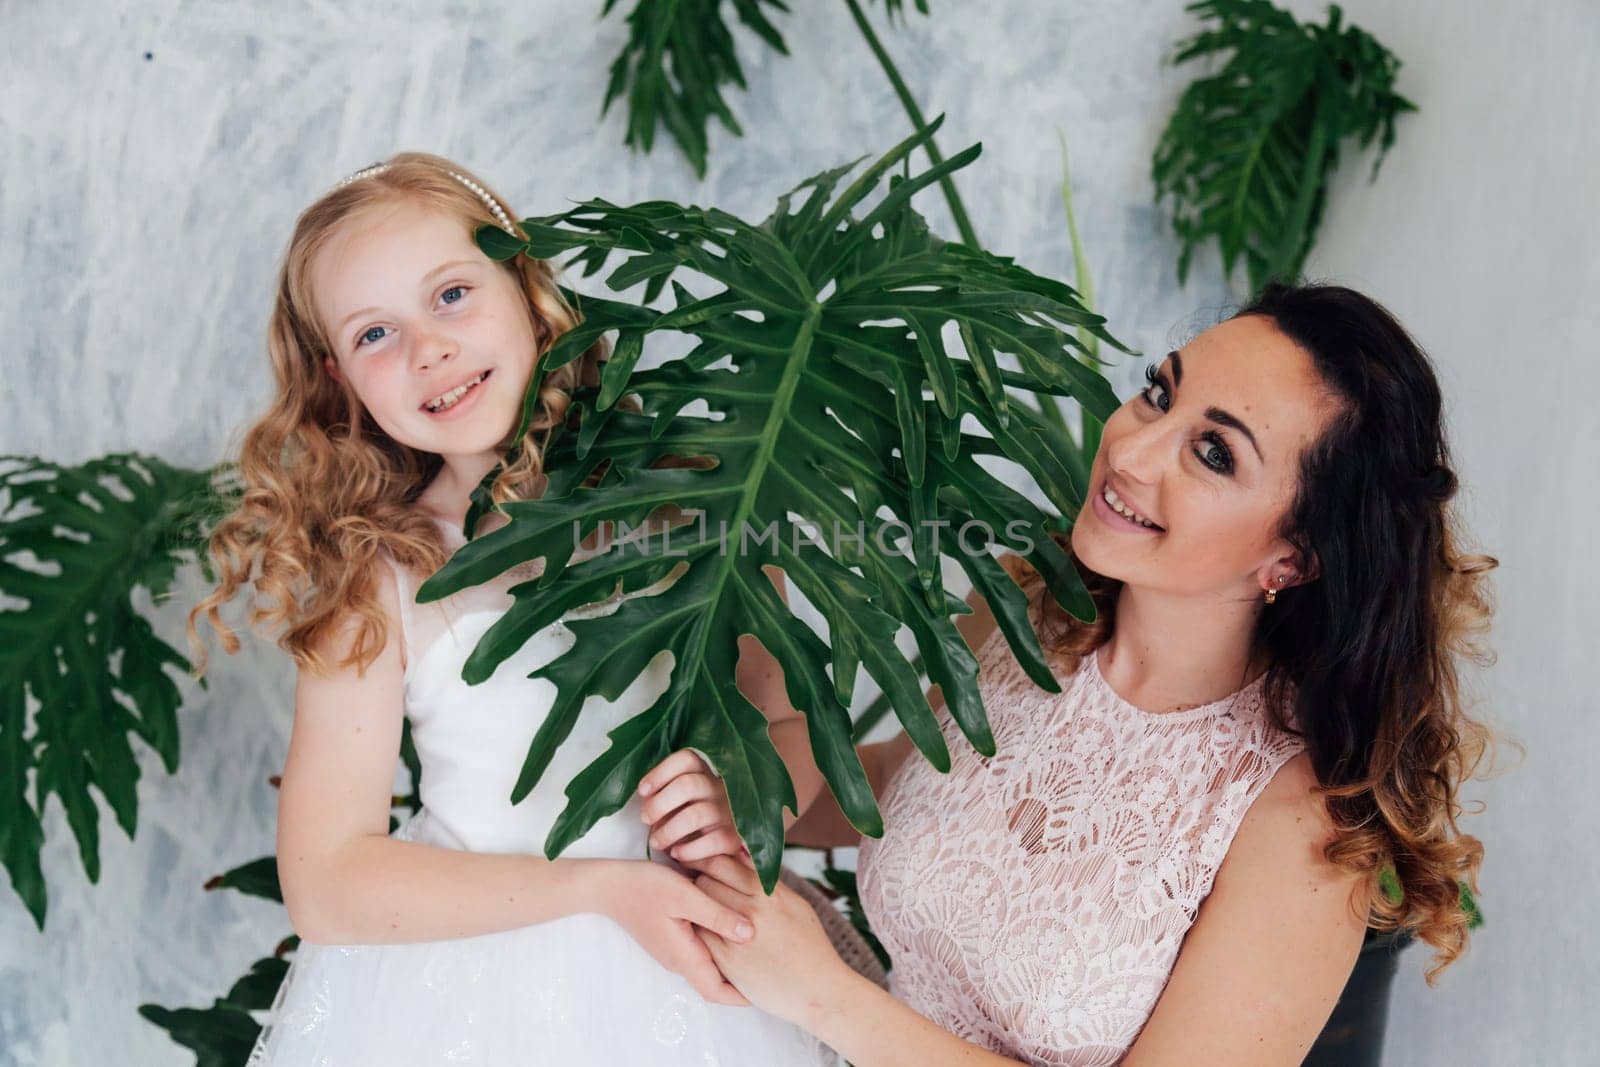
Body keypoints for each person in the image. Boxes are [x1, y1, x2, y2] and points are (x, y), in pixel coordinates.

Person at [682, 284, 1497, 1066]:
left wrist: (826, 996)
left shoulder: (1304, 828)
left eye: (1212, 452)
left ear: (1294, 556)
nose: (1132, 450)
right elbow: (883, 798)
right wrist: (757, 592)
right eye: (1157, 393)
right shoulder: (1030, 608)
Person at [187, 151, 838, 1065]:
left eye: (451, 294)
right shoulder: (380, 573)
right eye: (376, 334)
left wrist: (753, 800)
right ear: (339, 379)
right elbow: (329, 881)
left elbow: (786, 714)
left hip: (702, 968)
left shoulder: (698, 499)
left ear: (528, 288)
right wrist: (603, 890)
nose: (429, 349)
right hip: (467, 989)